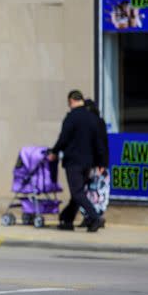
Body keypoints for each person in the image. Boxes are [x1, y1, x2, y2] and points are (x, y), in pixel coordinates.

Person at [47, 90, 106, 232]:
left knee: (77, 193)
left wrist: (54, 152)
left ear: (72, 101)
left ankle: (94, 217)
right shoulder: (92, 118)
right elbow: (99, 142)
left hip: (74, 161)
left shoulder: (71, 117)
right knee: (77, 193)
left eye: (69, 103)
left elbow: (63, 138)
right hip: (88, 163)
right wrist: (101, 162)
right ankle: (67, 220)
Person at [79, 99, 110, 227]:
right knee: (90, 191)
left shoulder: (96, 123)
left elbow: (101, 145)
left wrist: (102, 164)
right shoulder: (92, 122)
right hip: (90, 162)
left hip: (96, 163)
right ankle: (90, 217)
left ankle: (95, 217)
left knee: (96, 191)